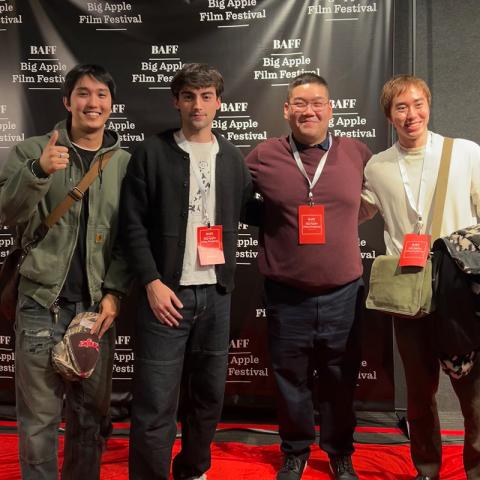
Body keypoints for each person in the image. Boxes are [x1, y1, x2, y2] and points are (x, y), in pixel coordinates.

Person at [121, 63, 252, 480]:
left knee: (209, 397)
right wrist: (151, 282)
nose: (199, 105)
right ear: (176, 101)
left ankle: (194, 470)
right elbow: (132, 224)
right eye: (190, 97)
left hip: (216, 295)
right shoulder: (151, 152)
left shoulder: (232, 157)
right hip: (166, 297)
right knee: (156, 402)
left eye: (207, 96)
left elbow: (255, 208)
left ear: (218, 102)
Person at [0, 64, 131, 479]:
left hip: (95, 311)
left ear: (111, 104)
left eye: (101, 95)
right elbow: (8, 215)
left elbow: (132, 238)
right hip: (41, 304)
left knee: (90, 421)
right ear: (67, 101)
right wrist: (38, 172)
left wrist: (116, 293)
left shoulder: (125, 162)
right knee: (38, 424)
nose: (92, 103)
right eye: (83, 93)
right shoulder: (33, 150)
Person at [244, 73, 371, 480]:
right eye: (300, 103)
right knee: (289, 379)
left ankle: (338, 452)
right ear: (286, 110)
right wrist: (272, 223)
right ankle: (296, 450)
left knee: (340, 379)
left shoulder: (358, 154)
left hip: (344, 293)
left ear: (331, 109)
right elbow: (235, 201)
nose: (309, 110)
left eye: (317, 102)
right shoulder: (264, 155)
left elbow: (378, 199)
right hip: (286, 294)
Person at [362, 74, 480, 480]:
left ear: (429, 104)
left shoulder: (464, 153)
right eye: (401, 107)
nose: (411, 114)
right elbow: (355, 208)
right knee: (418, 391)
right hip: (407, 291)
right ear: (389, 116)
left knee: (473, 393)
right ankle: (426, 469)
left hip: (458, 292)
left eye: (417, 104)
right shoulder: (377, 166)